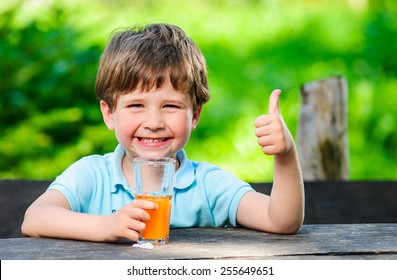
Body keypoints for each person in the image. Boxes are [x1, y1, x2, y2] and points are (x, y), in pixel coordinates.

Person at [21, 23, 304, 242]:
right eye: (136, 105)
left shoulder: (207, 186)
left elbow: (280, 221)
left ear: (194, 115)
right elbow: (34, 218)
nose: (154, 121)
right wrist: (105, 226)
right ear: (109, 113)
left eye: (170, 105)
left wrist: (286, 154)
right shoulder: (92, 176)